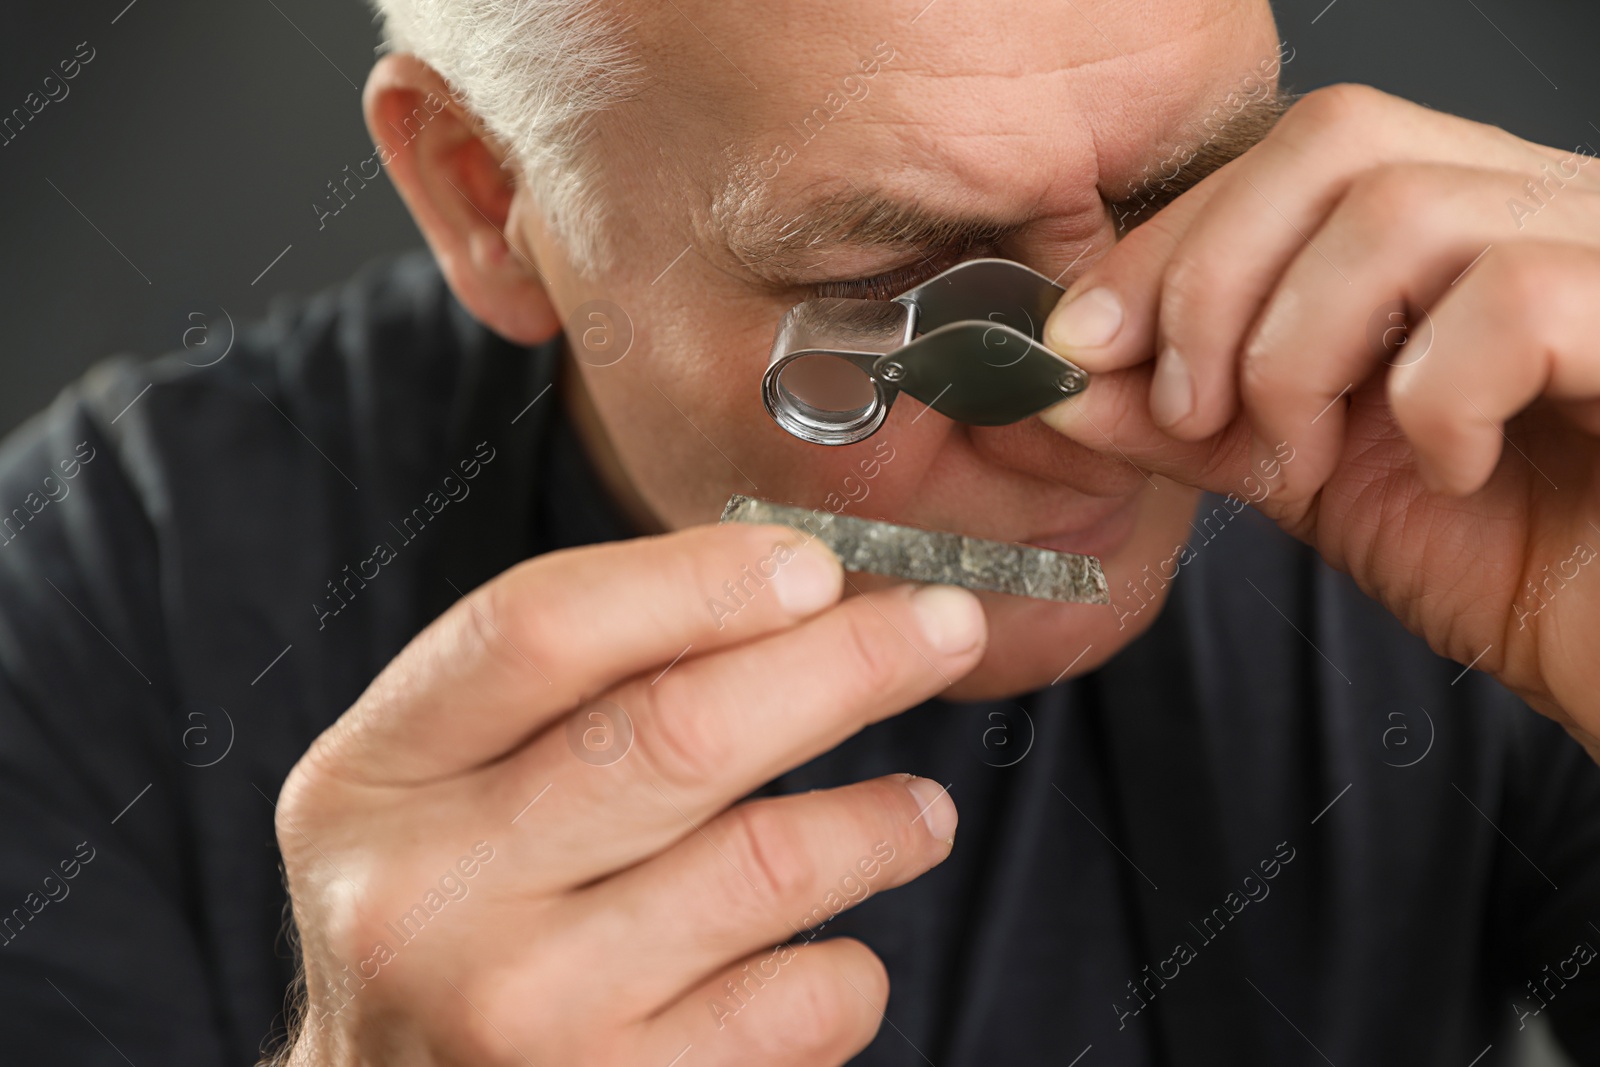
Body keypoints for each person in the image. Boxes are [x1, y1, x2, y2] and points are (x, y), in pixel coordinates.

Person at [3, 0, 1599, 1062]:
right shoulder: (102, 598)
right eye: (891, 299)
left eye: (1191, 195)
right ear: (491, 194)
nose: (1111, 407)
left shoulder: (1477, 439)